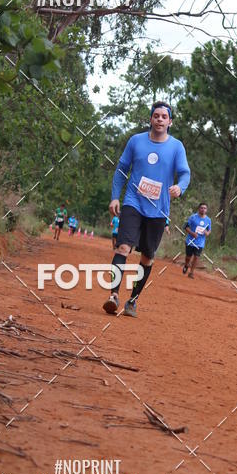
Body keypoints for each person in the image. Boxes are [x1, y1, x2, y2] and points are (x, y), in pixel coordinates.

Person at [103, 101, 190, 318]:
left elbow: (185, 173)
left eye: (164, 116)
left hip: (158, 209)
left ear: (170, 122)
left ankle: (132, 300)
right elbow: (122, 170)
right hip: (133, 201)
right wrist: (115, 197)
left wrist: (180, 187)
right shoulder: (136, 141)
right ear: (150, 119)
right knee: (123, 247)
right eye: (156, 116)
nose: (159, 119)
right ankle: (113, 295)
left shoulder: (176, 147)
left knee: (148, 257)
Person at [182, 203, 211, 278]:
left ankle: (191, 273)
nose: (203, 209)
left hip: (200, 242)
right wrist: (192, 233)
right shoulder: (193, 217)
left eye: (205, 208)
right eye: (201, 208)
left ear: (206, 210)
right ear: (199, 209)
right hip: (190, 241)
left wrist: (207, 233)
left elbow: (209, 230)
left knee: (196, 257)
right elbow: (185, 227)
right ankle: (186, 265)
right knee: (188, 257)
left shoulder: (208, 220)